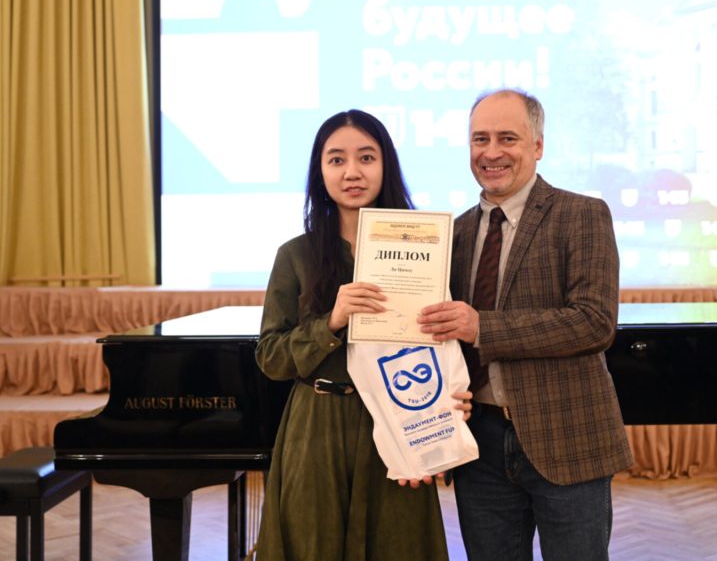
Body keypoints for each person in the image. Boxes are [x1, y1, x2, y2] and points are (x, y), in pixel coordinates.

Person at [418, 89, 633, 561]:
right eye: (480, 139)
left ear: (537, 146)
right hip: (480, 445)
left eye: (507, 138)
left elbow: (594, 322)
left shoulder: (582, 215)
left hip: (569, 437)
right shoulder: (453, 234)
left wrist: (483, 328)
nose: (491, 152)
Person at [255, 109, 470, 560]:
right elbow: (271, 357)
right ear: (320, 171)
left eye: (366, 157)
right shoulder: (295, 255)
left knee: (399, 546)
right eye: (336, 159)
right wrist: (331, 322)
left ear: (385, 165)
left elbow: (444, 341)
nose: (352, 172)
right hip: (317, 427)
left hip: (400, 416)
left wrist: (452, 398)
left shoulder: (428, 246)